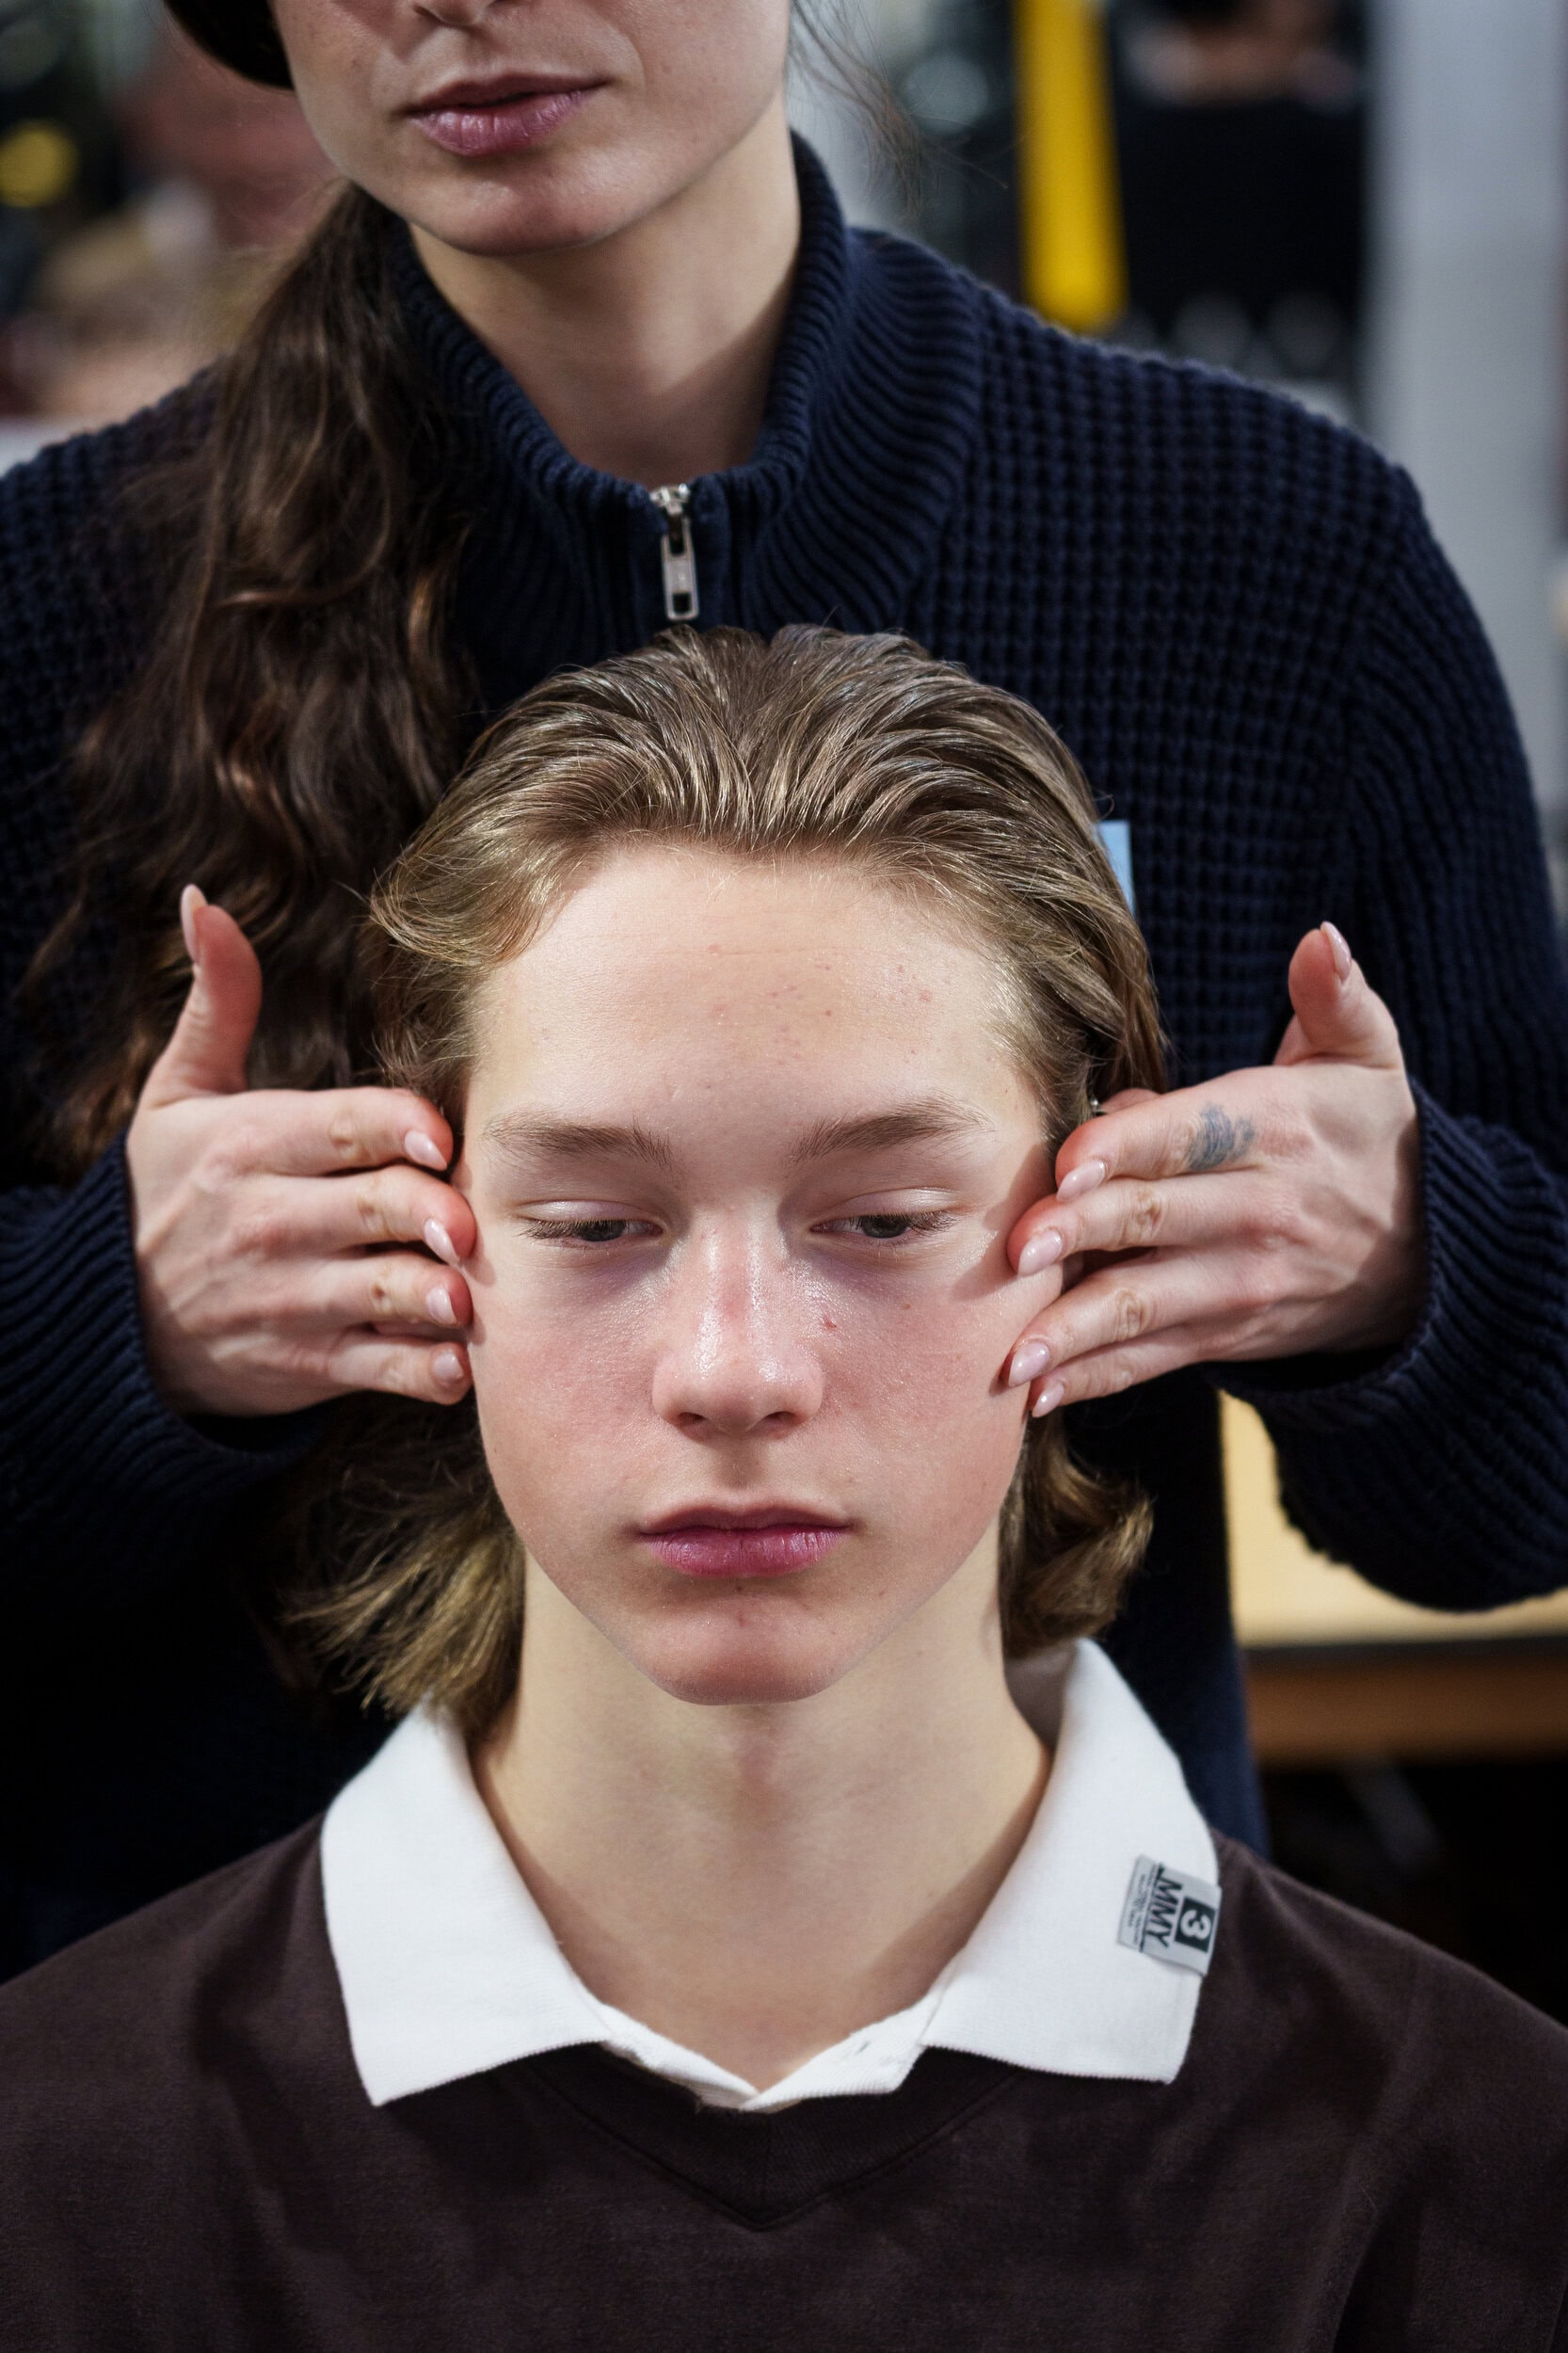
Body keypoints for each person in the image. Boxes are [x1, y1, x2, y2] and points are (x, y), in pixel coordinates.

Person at [4, 0, 1568, 1973]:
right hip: (244, 2129)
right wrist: (112, 1328)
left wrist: (1407, 1267)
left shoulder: (1266, 568)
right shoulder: (47, 626)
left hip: (1066, 2076)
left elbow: (1513, 1499)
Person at [3, 629, 1564, 2353]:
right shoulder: (61, 2177)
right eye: (599, 1225)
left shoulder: (1476, 2177)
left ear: (1108, 1216)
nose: (735, 1372)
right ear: (418, 1233)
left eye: (881, 1220)